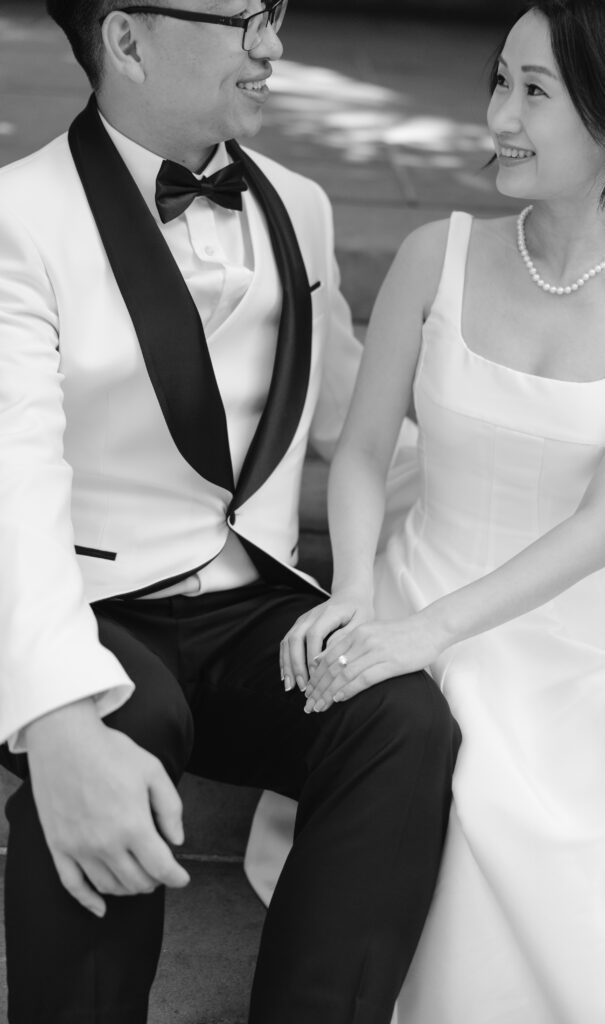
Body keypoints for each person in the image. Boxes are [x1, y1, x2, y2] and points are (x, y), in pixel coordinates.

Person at [0, 2, 460, 1022]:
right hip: (92, 601)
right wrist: (54, 718)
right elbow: (12, 479)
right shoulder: (17, 218)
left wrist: (512, 484)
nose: (274, 47)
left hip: (250, 603)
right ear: (125, 39)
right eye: (242, 20)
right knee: (122, 721)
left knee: (400, 716)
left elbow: (344, 413)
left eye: (277, 14)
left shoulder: (299, 203)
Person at [254, 0, 605, 1020]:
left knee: (596, 796)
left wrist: (428, 635)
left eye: (532, 91)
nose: (497, 114)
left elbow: (602, 526)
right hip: (413, 572)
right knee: (416, 758)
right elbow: (359, 454)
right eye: (498, 79)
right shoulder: (432, 252)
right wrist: (358, 591)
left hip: (568, 623)